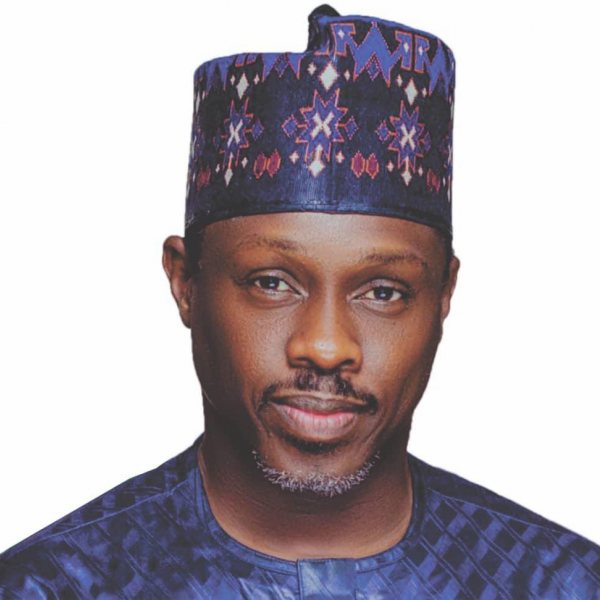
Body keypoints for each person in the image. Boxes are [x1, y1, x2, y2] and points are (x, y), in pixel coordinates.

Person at [1, 4, 599, 598]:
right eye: (271, 282)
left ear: (443, 296)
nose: (326, 345)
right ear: (185, 282)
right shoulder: (52, 587)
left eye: (383, 291)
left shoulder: (563, 584)